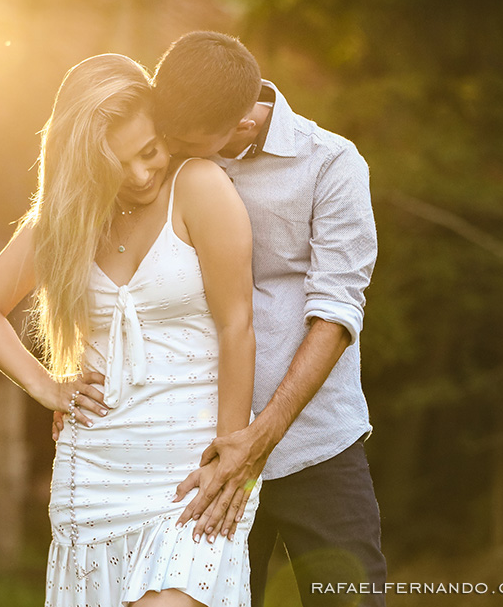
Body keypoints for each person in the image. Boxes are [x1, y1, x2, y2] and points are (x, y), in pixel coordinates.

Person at [0, 52, 260, 607]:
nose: (142, 174)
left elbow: (237, 326)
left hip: (193, 475)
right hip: (93, 475)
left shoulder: (198, 186)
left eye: (149, 151)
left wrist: (231, 457)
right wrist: (48, 385)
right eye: (117, 165)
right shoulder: (68, 219)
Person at [150, 31, 386, 607]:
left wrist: (260, 437)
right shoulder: (165, 157)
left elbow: (334, 313)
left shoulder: (332, 164)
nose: (169, 150)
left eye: (187, 142)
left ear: (244, 127)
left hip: (315, 446)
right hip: (197, 452)